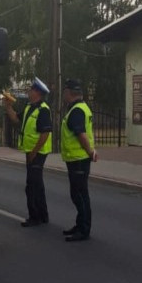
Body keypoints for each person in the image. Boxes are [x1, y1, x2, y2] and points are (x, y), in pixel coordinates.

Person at [4, 77, 52, 227]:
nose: (29, 91)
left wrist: (34, 152)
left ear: (37, 93)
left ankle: (35, 217)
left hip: (38, 152)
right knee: (37, 184)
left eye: (31, 89)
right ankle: (43, 215)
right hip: (31, 151)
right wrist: (8, 107)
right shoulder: (29, 107)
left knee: (32, 185)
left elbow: (45, 134)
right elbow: (15, 119)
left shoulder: (43, 109)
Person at [60, 78, 96, 242]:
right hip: (77, 158)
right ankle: (80, 224)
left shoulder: (76, 111)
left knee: (79, 195)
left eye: (64, 91)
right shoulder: (80, 107)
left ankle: (84, 229)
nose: (63, 95)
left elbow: (81, 134)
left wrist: (90, 152)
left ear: (69, 92)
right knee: (78, 193)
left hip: (79, 159)